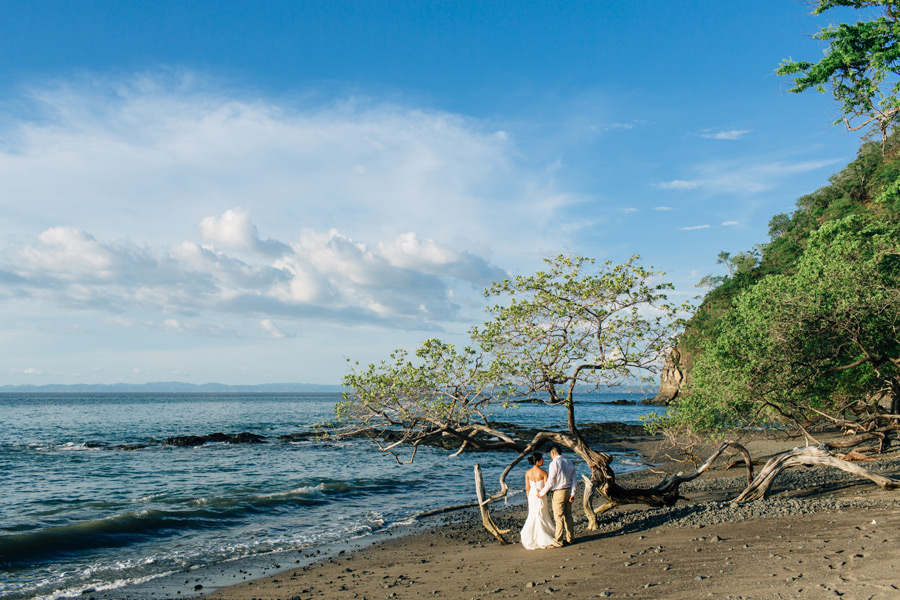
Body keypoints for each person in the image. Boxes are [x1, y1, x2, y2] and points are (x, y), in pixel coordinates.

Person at [538, 444, 576, 548]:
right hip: (568, 490)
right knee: (568, 515)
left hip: (559, 491)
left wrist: (542, 493)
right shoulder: (569, 461)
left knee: (558, 517)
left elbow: (550, 481)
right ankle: (570, 538)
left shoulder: (554, 463)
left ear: (553, 453)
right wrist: (573, 493)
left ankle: (558, 541)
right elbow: (574, 479)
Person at [519, 452, 555, 550]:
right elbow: (546, 487)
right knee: (542, 515)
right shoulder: (543, 473)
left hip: (532, 496)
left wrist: (529, 498)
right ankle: (544, 540)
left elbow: (527, 488)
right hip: (541, 495)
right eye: (542, 459)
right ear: (538, 462)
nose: (543, 461)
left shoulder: (528, 473)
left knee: (533, 515)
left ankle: (531, 537)